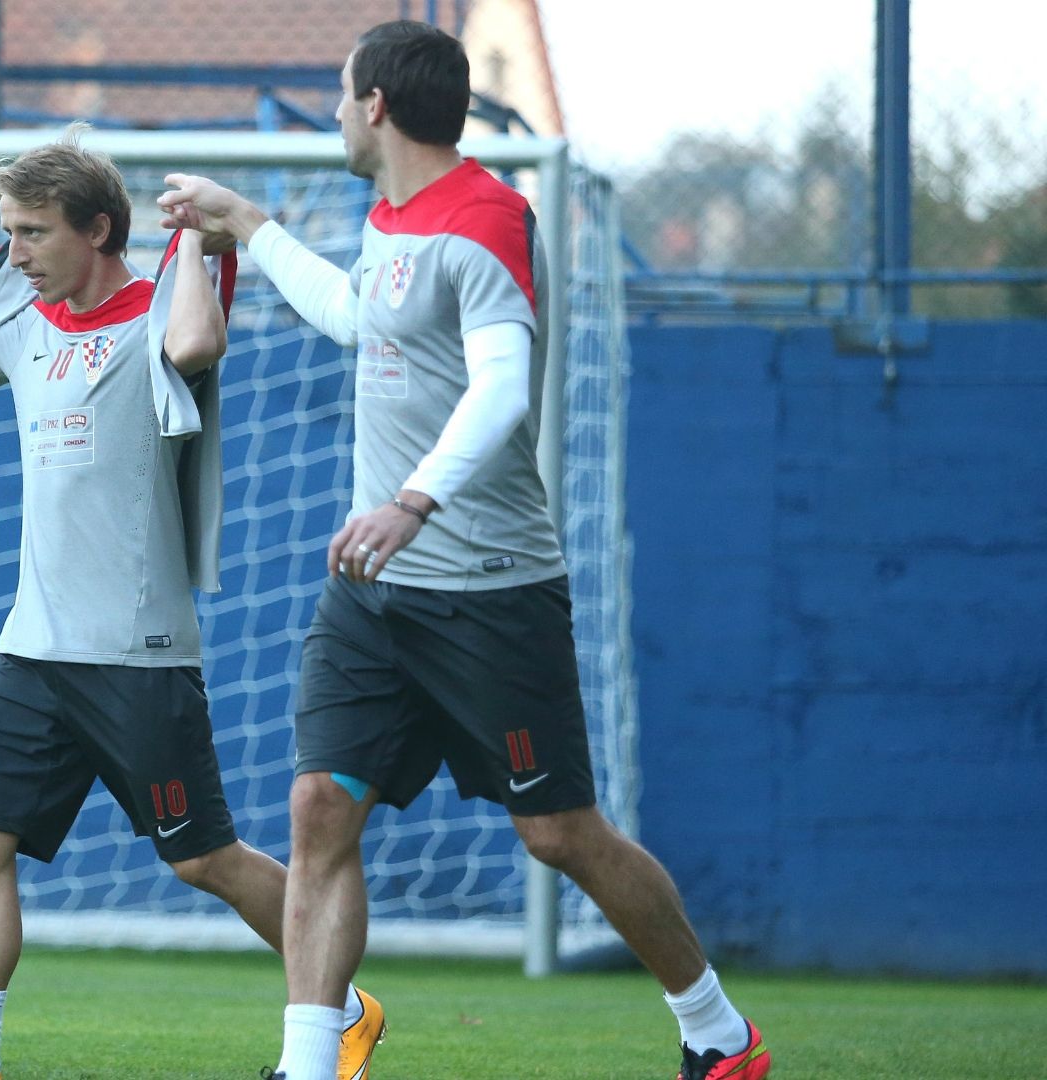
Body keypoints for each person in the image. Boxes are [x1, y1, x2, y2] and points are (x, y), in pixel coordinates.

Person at [158, 20, 770, 1080]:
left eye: (344, 96)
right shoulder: (391, 216)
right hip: (373, 594)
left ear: (379, 106)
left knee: (561, 835)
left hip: (489, 592)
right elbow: (358, 315)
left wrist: (412, 501)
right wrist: (248, 226)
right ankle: (310, 1064)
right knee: (317, 807)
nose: (338, 113)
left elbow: (500, 386)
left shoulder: (487, 215)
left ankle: (718, 1032)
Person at [0, 125, 385, 1080]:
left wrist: (200, 240)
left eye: (35, 231)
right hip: (31, 651)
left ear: (98, 230)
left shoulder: (161, 309)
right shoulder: (24, 320)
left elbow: (198, 342)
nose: (18, 251)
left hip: (138, 654)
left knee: (202, 858)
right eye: (9, 231)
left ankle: (342, 1008)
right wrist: (11, 258)